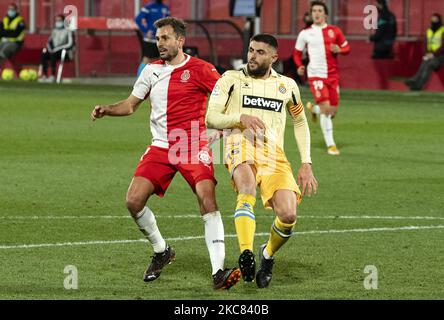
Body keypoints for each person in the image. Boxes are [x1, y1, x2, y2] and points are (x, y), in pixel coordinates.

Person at [90, 17, 241, 290]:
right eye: (157, 38)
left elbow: (226, 98)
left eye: (165, 38)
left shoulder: (201, 69)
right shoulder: (150, 70)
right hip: (161, 145)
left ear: (180, 41)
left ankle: (219, 272)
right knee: (133, 201)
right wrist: (107, 109)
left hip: (191, 144)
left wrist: (220, 128)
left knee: (207, 199)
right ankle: (162, 251)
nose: (159, 43)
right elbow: (130, 105)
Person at [206, 34, 318, 288]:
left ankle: (266, 256)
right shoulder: (231, 79)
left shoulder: (287, 86)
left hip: (273, 152)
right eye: (250, 50)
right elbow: (211, 117)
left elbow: (300, 121)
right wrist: (239, 118)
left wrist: (306, 161)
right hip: (239, 143)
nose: (252, 56)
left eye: (259, 52)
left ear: (273, 58)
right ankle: (246, 252)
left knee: (288, 214)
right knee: (246, 187)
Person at [293, 1, 350, 156]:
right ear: (311, 14)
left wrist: (340, 49)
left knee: (332, 111)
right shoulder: (305, 33)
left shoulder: (335, 31)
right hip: (315, 75)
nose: (317, 13)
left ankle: (313, 109)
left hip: (332, 76)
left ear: (325, 14)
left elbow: (347, 47)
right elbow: (297, 53)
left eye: (319, 10)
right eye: (314, 11)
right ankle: (331, 145)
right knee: (326, 110)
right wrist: (299, 66)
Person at [405, 13, 444, 91]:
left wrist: (433, 54)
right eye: (432, 19)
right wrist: (427, 53)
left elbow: (443, 46)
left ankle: (419, 85)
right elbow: (426, 43)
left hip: (440, 55)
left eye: (435, 19)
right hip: (430, 54)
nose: (434, 21)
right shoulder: (429, 30)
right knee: (424, 62)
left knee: (430, 64)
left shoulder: (442, 30)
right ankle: (415, 81)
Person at [134, 0, 170, 76]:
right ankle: (139, 79)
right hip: (150, 39)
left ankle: (157, 79)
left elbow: (168, 22)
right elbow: (137, 19)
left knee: (160, 59)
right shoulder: (148, 7)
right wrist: (145, 30)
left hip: (161, 39)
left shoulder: (165, 8)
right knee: (147, 59)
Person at [38, 14, 74, 82]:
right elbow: (49, 41)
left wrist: (58, 48)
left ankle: (52, 76)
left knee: (53, 54)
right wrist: (50, 48)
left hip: (64, 52)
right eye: (57, 20)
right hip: (53, 50)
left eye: (60, 20)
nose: (58, 22)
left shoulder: (68, 31)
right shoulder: (54, 30)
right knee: (44, 54)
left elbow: (70, 44)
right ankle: (44, 75)